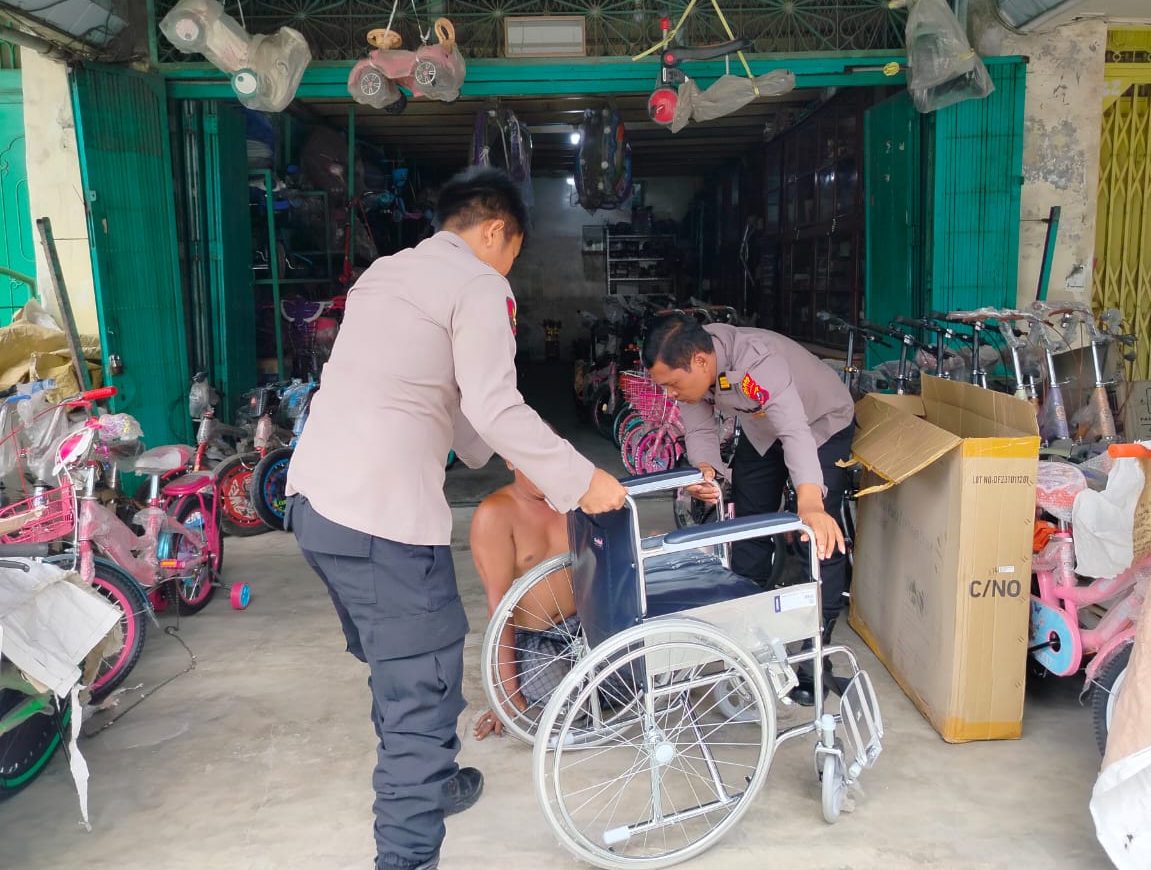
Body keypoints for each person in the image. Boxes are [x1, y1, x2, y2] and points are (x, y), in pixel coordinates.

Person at [285, 166, 627, 870]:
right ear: (496, 230)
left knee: (401, 663)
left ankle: (434, 783)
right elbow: (495, 405)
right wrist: (580, 479)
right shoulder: (479, 284)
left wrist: (513, 458)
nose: (510, 271)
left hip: (315, 505)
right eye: (514, 253)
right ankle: (408, 850)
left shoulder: (386, 274)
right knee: (422, 694)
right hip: (381, 521)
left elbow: (460, 406)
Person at [643, 313, 855, 706]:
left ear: (700, 362)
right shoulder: (695, 372)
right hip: (763, 430)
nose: (670, 395)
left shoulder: (758, 361)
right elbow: (700, 430)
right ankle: (748, 624)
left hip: (820, 423)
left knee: (817, 532)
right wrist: (706, 471)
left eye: (672, 384)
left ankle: (816, 649)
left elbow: (795, 431)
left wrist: (810, 503)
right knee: (749, 519)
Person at [468, 464, 576, 741]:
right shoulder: (495, 514)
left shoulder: (575, 498)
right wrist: (506, 693)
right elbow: (500, 607)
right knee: (571, 708)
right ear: (510, 459)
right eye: (531, 459)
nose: (543, 471)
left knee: (646, 672)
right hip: (536, 639)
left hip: (586, 625)